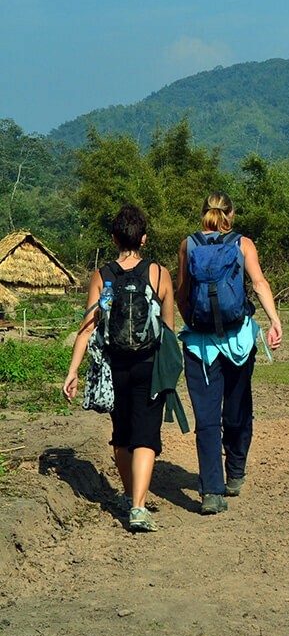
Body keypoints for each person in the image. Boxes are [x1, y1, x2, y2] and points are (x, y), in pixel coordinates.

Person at [63, 205, 175, 533]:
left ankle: (128, 496)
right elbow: (167, 329)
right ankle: (139, 507)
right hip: (149, 366)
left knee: (122, 435)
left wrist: (73, 371)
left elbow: (87, 328)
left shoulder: (102, 275)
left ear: (113, 238)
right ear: (144, 238)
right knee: (146, 436)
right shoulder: (159, 273)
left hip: (114, 367)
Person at [176, 191, 282, 515]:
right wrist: (275, 321)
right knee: (237, 409)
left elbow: (181, 292)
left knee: (206, 420)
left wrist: (193, 322)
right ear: (231, 215)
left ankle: (212, 492)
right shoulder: (243, 243)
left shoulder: (188, 244)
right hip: (238, 342)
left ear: (203, 214)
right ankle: (234, 472)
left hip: (199, 345)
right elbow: (260, 283)